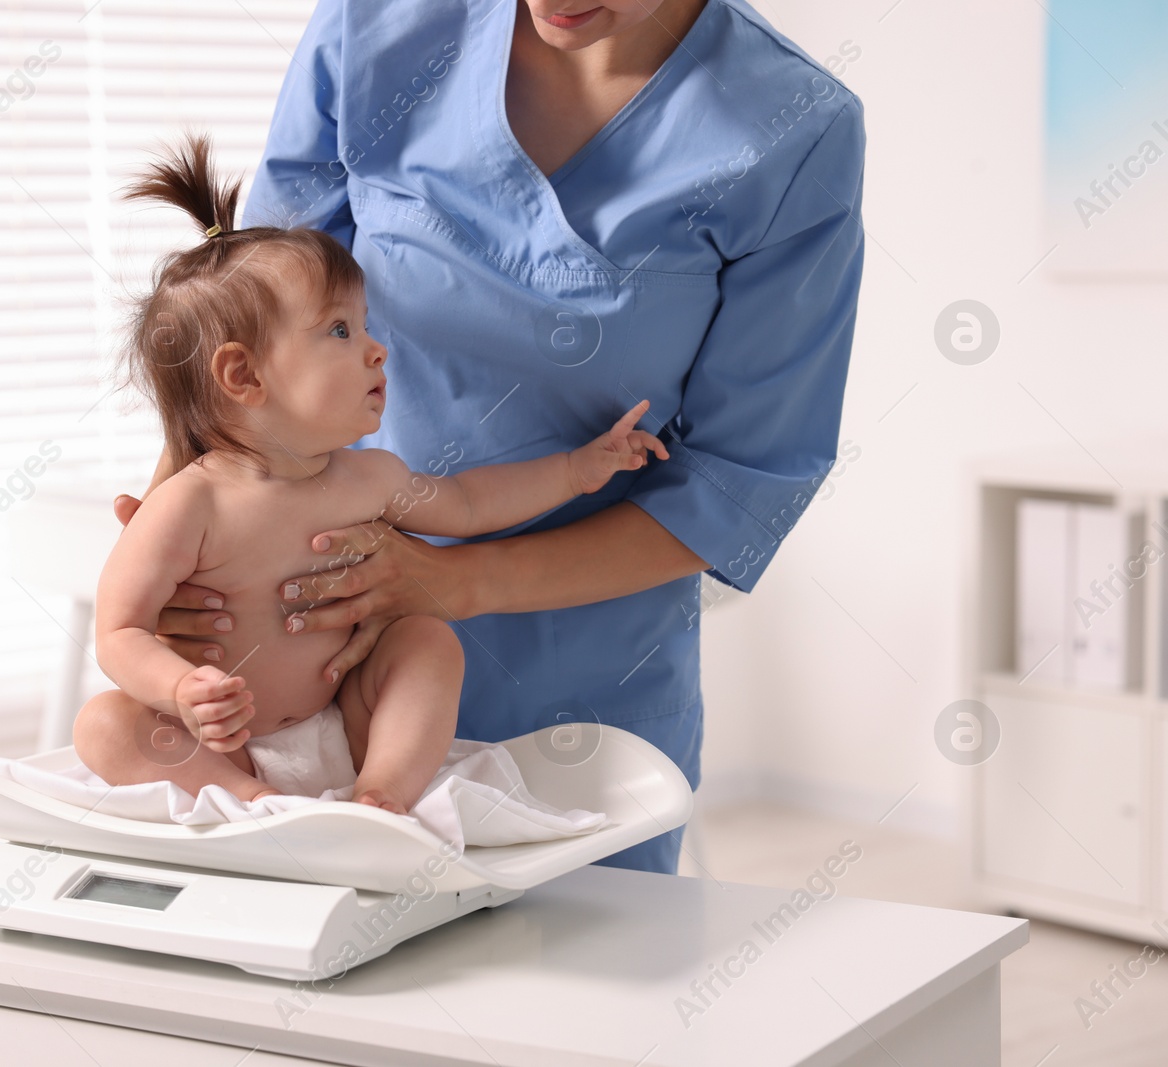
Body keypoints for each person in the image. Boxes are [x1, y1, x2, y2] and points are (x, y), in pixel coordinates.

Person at [112, 0, 867, 872]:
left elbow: (737, 486)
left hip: (577, 682)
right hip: (296, 660)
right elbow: (245, 325)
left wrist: (448, 581)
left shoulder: (791, 131)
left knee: (568, 989)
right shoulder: (377, 27)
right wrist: (177, 547)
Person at [79, 135, 668, 814]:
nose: (376, 348)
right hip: (222, 746)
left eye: (364, 325)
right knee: (104, 724)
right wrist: (179, 688)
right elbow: (118, 632)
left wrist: (575, 468)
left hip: (343, 725)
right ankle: (250, 799)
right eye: (340, 331)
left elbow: (471, 503)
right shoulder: (189, 505)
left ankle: (382, 793)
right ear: (243, 375)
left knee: (426, 640)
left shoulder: (368, 478)